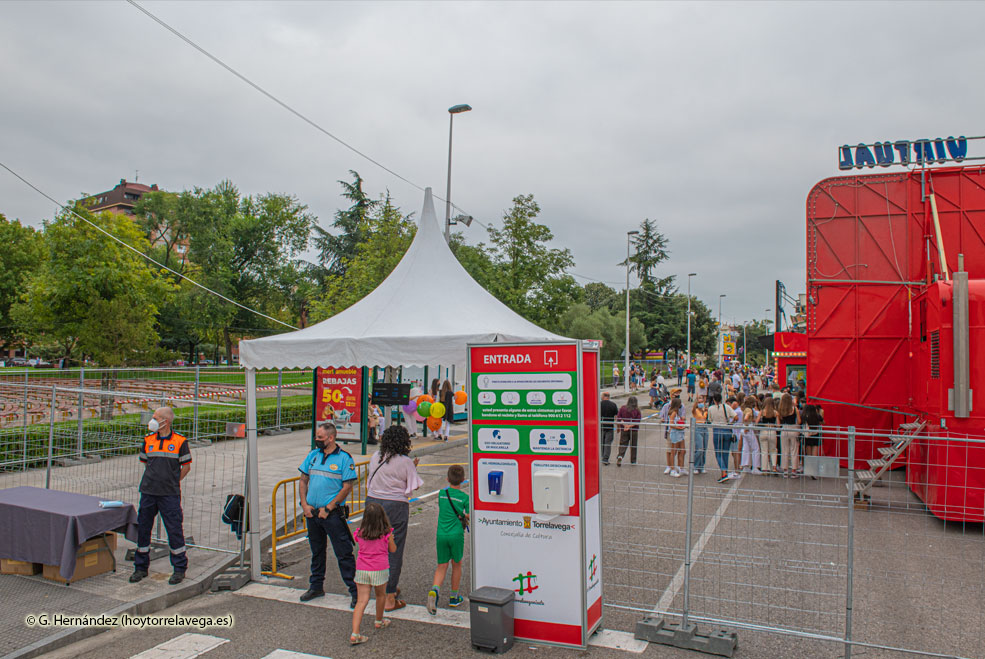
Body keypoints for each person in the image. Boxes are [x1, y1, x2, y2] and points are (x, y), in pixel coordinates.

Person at [299, 422, 358, 606]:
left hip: (331, 515)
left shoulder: (344, 459)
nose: (317, 440)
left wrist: (329, 507)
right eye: (317, 437)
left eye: (320, 437)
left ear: (331, 438)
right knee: (317, 552)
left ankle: (355, 590)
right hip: (312, 513)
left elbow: (347, 486)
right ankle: (316, 586)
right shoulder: (313, 456)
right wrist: (304, 504)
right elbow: (303, 480)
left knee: (343, 553)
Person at [131, 406, 191, 585]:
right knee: (143, 529)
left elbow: (186, 467)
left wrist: (172, 481)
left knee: (174, 530)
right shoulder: (148, 440)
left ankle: (179, 569)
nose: (153, 420)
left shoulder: (180, 441)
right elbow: (145, 462)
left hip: (169, 494)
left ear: (166, 421)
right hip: (149, 492)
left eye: (156, 417)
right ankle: (140, 567)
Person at [366, 426, 423, 611]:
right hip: (395, 507)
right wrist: (412, 468)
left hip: (373, 504)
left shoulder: (376, 456)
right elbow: (412, 487)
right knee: (393, 550)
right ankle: (389, 597)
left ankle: (379, 588)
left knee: (374, 548)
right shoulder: (405, 461)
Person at [349, 503, 397, 646]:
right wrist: (391, 539)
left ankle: (355, 633)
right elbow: (393, 550)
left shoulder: (359, 533)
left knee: (361, 601)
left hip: (362, 569)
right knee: (380, 595)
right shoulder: (386, 534)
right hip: (379, 569)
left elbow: (359, 542)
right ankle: (378, 620)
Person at [427, 464, 470, 614]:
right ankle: (454, 596)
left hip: (441, 534)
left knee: (441, 565)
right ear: (463, 480)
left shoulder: (441, 493)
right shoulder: (465, 498)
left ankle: (435, 590)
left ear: (447, 478)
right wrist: (464, 515)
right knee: (457, 564)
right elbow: (469, 514)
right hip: (456, 534)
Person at [707, 394, 736, 483]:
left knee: (718, 453)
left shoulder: (711, 408)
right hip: (726, 428)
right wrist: (730, 423)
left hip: (717, 430)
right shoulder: (727, 407)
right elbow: (736, 417)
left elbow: (709, 420)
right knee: (725, 452)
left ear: (714, 400)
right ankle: (725, 471)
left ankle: (723, 471)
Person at [778, 393, 802, 477]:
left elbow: (780, 420)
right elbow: (799, 421)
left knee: (784, 450)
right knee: (794, 450)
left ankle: (785, 470)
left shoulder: (781, 409)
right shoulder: (794, 409)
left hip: (784, 429)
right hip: (793, 428)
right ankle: (794, 470)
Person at [615, 396, 642, 466]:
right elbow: (637, 421)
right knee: (633, 445)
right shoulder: (637, 410)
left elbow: (619, 417)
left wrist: (625, 425)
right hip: (634, 430)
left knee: (623, 443)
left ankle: (620, 456)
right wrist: (629, 426)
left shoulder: (623, 408)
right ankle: (633, 461)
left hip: (624, 429)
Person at [758, 396, 779, 473]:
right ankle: (774, 467)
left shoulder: (762, 412)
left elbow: (757, 422)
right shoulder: (775, 412)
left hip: (763, 431)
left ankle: (764, 468)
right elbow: (778, 425)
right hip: (772, 431)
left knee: (764, 451)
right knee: (773, 450)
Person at [667, 398, 687, 477]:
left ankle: (681, 467)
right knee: (673, 451)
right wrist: (679, 427)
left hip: (680, 433)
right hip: (675, 433)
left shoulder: (678, 413)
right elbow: (671, 424)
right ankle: (672, 469)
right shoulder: (673, 413)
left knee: (682, 451)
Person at [600, 391, 619, 465]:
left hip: (601, 426)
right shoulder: (613, 405)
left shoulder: (599, 404)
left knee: (601, 442)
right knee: (608, 443)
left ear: (604, 396)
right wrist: (618, 426)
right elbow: (616, 416)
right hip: (610, 427)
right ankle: (605, 459)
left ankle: (601, 456)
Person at [691, 395, 709, 473]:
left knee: (704, 449)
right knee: (699, 449)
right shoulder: (695, 410)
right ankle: (695, 466)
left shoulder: (705, 410)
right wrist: (696, 403)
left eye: (702, 400)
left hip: (705, 428)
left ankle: (701, 466)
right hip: (698, 428)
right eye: (699, 401)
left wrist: (705, 409)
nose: (700, 402)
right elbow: (693, 409)